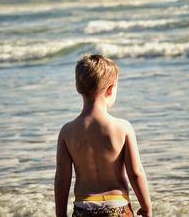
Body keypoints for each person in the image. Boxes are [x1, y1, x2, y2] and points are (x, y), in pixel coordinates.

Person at [54, 54, 152, 217]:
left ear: (78, 88)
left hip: (83, 208)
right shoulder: (123, 127)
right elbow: (135, 173)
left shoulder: (67, 131)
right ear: (111, 89)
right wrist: (147, 208)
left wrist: (60, 215)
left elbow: (62, 178)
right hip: (117, 207)